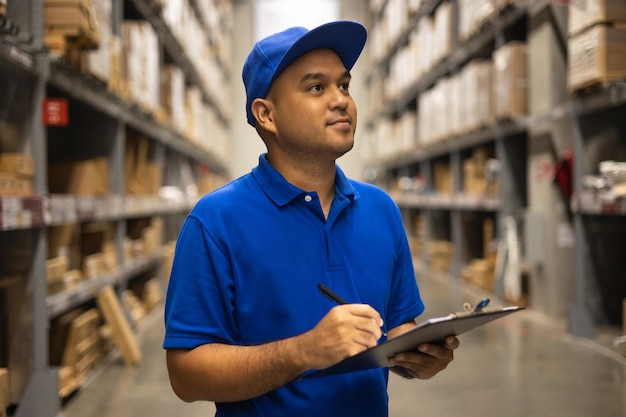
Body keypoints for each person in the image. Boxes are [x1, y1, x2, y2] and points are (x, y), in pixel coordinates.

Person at [163, 20, 460, 416]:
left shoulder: (380, 210)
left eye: (345, 85)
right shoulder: (216, 221)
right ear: (266, 115)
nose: (340, 100)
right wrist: (305, 350)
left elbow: (398, 327)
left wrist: (419, 355)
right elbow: (186, 375)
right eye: (317, 87)